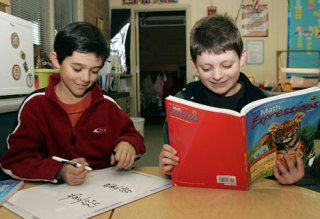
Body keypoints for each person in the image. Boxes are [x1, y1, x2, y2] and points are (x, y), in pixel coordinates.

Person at [159, 14, 305, 185]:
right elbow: (173, 157)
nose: (217, 75)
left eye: (227, 65)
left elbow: (275, 166)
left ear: (242, 57)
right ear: (194, 65)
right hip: (199, 194)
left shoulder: (263, 103)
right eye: (206, 68)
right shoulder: (182, 102)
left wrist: (288, 175)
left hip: (253, 197)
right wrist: (169, 164)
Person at [0, 22, 145, 186]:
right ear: (56, 60)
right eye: (77, 69)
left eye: (94, 71)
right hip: (52, 198)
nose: (86, 78)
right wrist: (59, 171)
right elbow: (14, 160)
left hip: (104, 191)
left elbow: (134, 136)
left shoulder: (107, 105)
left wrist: (128, 143)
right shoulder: (35, 106)